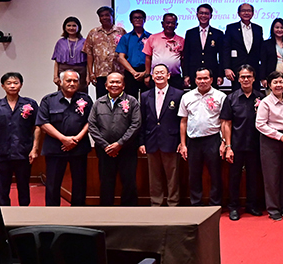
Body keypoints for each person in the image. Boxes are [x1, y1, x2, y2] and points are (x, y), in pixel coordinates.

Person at [0, 72, 40, 206]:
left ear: (21, 85)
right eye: (9, 83)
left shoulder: (30, 104)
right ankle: (3, 218)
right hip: (2, 154)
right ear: (3, 86)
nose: (12, 86)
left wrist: (34, 149)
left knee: (24, 188)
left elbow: (37, 127)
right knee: (2, 189)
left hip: (23, 153)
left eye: (16, 83)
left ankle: (25, 216)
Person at [36, 70, 92, 206]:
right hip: (55, 148)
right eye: (68, 80)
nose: (72, 83)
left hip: (79, 148)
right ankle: (53, 214)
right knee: (53, 183)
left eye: (75, 81)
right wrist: (63, 139)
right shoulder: (49, 100)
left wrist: (76, 139)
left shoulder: (85, 99)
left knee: (80, 183)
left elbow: (91, 121)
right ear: (61, 82)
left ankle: (78, 213)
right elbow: (43, 123)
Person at [88, 72, 141, 206]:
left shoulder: (132, 102)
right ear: (106, 85)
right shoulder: (98, 103)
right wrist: (105, 145)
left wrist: (120, 143)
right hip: (105, 151)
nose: (114, 85)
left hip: (127, 149)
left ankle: (129, 213)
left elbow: (136, 124)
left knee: (129, 182)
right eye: (111, 82)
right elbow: (92, 125)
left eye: (118, 82)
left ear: (123, 85)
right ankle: (106, 213)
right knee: (106, 182)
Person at [220, 64, 265, 220]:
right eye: (243, 77)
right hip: (236, 145)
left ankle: (252, 205)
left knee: (254, 177)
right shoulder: (231, 98)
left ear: (253, 78)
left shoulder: (261, 98)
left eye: (249, 76)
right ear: (238, 79)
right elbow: (226, 123)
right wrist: (228, 146)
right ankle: (233, 207)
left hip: (255, 145)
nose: (246, 79)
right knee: (234, 178)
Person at [178, 68, 226, 206]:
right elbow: (183, 121)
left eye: (205, 78)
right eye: (199, 78)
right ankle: (196, 204)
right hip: (193, 140)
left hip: (213, 139)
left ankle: (215, 204)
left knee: (215, 174)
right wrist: (183, 144)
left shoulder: (220, 96)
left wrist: (223, 142)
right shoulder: (187, 97)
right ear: (195, 80)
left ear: (211, 79)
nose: (202, 81)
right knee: (194, 174)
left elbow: (224, 121)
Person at [139, 63, 184, 207]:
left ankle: (173, 203)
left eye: (162, 73)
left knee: (172, 176)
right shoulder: (145, 96)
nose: (159, 75)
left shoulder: (178, 94)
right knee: (154, 176)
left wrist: (181, 142)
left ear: (168, 76)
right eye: (156, 73)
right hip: (151, 140)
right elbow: (142, 120)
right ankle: (156, 203)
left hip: (171, 140)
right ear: (152, 76)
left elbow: (181, 120)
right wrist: (141, 142)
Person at [256, 71, 283, 221]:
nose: (278, 85)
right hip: (271, 140)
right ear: (269, 85)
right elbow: (260, 124)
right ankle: (273, 208)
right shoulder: (265, 102)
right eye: (275, 82)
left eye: (281, 82)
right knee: (271, 176)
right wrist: (280, 136)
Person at [84, 6, 126, 98]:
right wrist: (91, 73)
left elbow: (126, 52)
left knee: (120, 99)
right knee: (102, 100)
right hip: (100, 73)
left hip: (118, 72)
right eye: (102, 16)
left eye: (107, 15)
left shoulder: (121, 32)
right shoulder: (93, 33)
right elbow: (89, 54)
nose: (104, 17)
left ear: (112, 16)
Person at [223, 3, 263, 90]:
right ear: (238, 13)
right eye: (243, 11)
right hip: (236, 69)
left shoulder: (258, 29)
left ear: (253, 13)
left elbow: (261, 50)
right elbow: (226, 49)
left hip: (254, 69)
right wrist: (227, 68)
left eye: (249, 11)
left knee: (255, 95)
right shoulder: (231, 28)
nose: (246, 13)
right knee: (237, 96)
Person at [182, 3, 224, 88]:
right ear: (197, 15)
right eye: (201, 13)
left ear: (211, 16)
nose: (203, 16)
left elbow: (222, 56)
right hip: (194, 74)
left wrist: (220, 75)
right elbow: (186, 55)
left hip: (212, 74)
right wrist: (186, 75)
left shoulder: (218, 34)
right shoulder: (190, 33)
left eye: (206, 13)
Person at [144, 13, 185, 89]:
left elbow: (183, 60)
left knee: (176, 99)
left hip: (175, 78)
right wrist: (147, 75)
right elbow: (148, 58)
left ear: (176, 25)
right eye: (167, 23)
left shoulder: (181, 40)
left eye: (172, 23)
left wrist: (185, 76)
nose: (170, 25)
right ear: (162, 24)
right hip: (157, 77)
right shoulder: (153, 38)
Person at [115, 9, 151, 97]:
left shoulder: (151, 37)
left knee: (148, 100)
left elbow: (154, 57)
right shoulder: (125, 38)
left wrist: (145, 72)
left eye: (140, 18)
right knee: (130, 100)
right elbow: (121, 58)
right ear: (131, 20)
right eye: (135, 18)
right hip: (130, 72)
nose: (138, 20)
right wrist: (134, 73)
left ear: (144, 20)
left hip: (146, 72)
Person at [51, 16, 87, 93]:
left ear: (79, 27)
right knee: (63, 94)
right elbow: (57, 61)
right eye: (69, 25)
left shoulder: (84, 42)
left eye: (74, 25)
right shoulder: (60, 42)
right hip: (64, 70)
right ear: (64, 27)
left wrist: (88, 76)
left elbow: (88, 61)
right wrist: (55, 76)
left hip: (81, 72)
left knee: (81, 96)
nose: (71, 28)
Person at [259, 18, 283, 92]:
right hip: (271, 76)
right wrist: (263, 78)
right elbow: (263, 62)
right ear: (272, 29)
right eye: (277, 27)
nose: (279, 30)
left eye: (282, 28)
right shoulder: (266, 44)